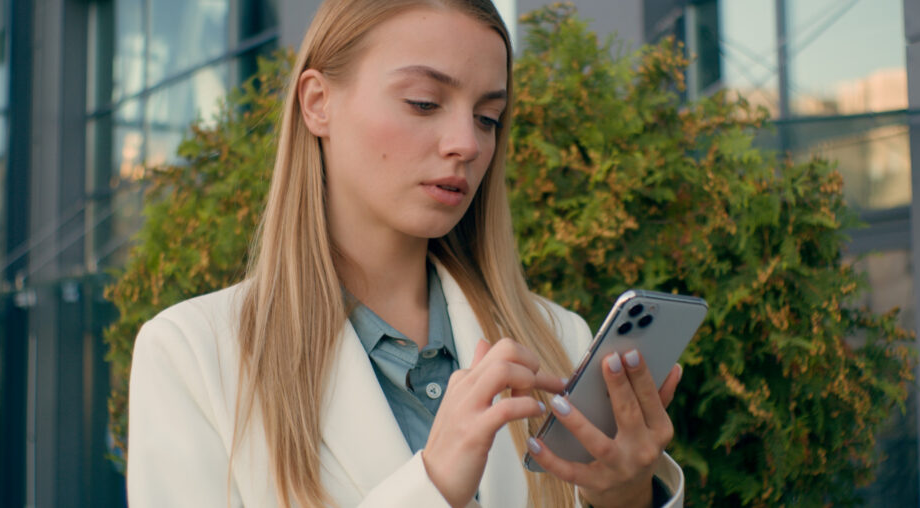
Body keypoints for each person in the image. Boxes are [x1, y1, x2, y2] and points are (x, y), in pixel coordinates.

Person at [126, 0, 685, 506]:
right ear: (318, 103)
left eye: (488, 117)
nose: (467, 142)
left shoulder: (557, 341)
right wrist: (433, 485)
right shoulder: (193, 357)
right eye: (424, 103)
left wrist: (627, 499)